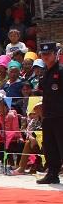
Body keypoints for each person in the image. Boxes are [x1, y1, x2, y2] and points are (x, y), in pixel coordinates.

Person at [37, 43, 63, 184]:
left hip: (60, 115)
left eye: (48, 54)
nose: (46, 57)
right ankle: (52, 173)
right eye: (43, 54)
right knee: (50, 147)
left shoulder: (61, 71)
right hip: (48, 115)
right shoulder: (45, 72)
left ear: (55, 54)